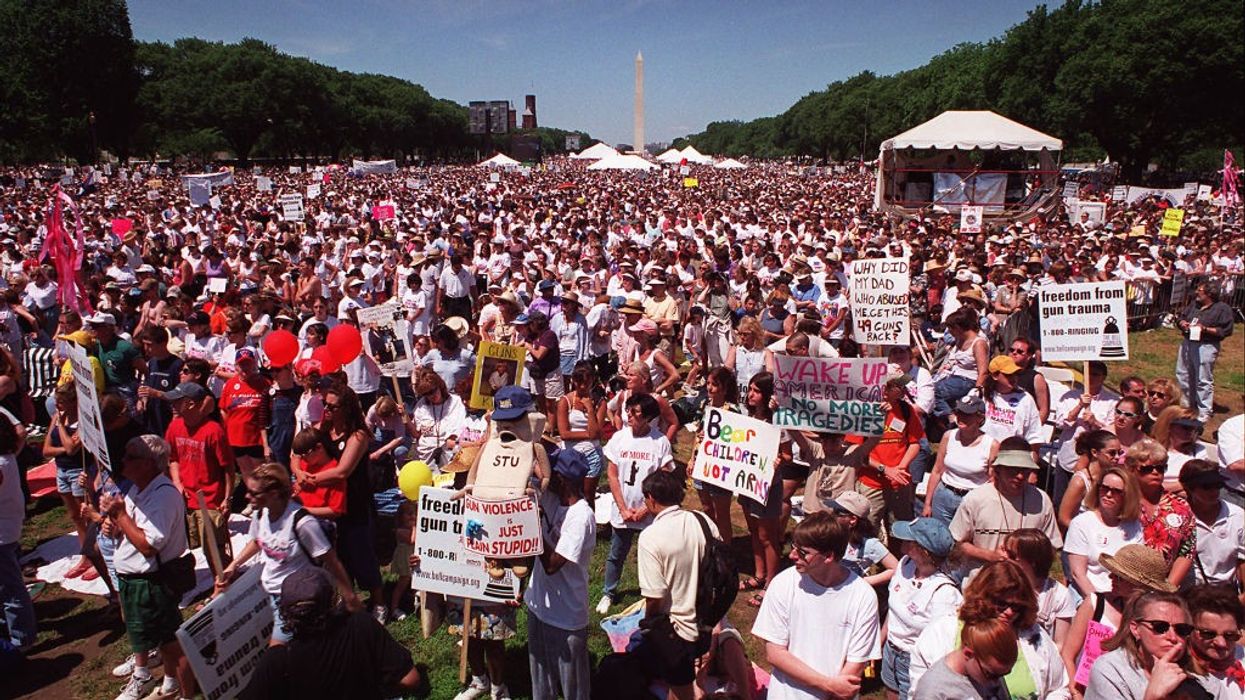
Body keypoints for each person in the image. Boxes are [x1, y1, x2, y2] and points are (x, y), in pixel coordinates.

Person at [214, 462, 359, 643]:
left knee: (277, 652)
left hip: (298, 600)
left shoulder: (302, 523)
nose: (246, 496)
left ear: (274, 494)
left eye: (254, 493)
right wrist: (233, 565)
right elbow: (257, 541)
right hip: (271, 594)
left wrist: (350, 596)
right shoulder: (261, 514)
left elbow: (331, 561)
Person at [102, 435, 196, 700]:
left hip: (153, 583)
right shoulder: (139, 489)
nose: (123, 460)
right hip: (136, 580)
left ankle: (187, 695)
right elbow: (132, 528)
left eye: (130, 457)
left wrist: (120, 515)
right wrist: (114, 525)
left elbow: (148, 545)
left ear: (148, 463)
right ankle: (169, 683)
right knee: (157, 639)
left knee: (172, 644)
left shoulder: (163, 496)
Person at [240, 567, 424, 700]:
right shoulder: (361, 625)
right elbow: (411, 680)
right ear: (332, 602)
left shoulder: (277, 661)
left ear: (285, 614)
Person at [752, 512, 881, 700]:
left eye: (803, 552)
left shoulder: (863, 596)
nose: (792, 555)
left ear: (828, 556)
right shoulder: (783, 584)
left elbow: (856, 662)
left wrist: (835, 692)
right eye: (793, 547)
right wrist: (829, 685)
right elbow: (775, 654)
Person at [909, 560, 1070, 700]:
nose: (1009, 612)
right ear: (982, 597)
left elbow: (1059, 688)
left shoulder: (1035, 635)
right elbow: (922, 691)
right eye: (1002, 604)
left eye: (1016, 606)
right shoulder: (941, 632)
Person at [631, 469, 719, 700]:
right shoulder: (703, 521)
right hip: (705, 623)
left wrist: (648, 625)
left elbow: (655, 596)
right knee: (680, 687)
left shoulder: (651, 537)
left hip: (676, 631)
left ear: (651, 498)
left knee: (683, 692)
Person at [526, 449, 596, 700]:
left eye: (550, 472)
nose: (543, 475)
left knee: (573, 687)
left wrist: (532, 528)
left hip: (566, 615)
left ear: (561, 479)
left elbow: (552, 564)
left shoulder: (581, 517)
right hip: (538, 606)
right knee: (540, 680)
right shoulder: (552, 498)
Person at [1061, 543, 1172, 696]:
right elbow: (1068, 655)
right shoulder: (1095, 604)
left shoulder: (1157, 620)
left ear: (1137, 584)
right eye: (1112, 572)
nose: (1110, 577)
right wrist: (1076, 693)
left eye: (1119, 576)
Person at [598, 392, 674, 614]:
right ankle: (608, 592)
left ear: (648, 417)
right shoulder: (619, 438)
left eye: (635, 411)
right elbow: (612, 475)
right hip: (623, 509)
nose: (629, 415)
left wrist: (645, 509)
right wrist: (623, 508)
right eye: (628, 410)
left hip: (650, 512)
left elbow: (663, 479)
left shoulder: (660, 442)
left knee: (653, 556)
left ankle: (654, 595)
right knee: (616, 553)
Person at [950, 443, 1062, 577]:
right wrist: (990, 556)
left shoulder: (1041, 500)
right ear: (997, 471)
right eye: (1013, 470)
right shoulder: (975, 499)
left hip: (1026, 582)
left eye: (1025, 470)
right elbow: (958, 544)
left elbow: (1051, 546)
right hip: (983, 580)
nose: (1020, 476)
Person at [881, 517, 962, 700]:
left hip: (913, 661)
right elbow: (894, 611)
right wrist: (881, 640)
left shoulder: (944, 593)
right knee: (891, 692)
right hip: (890, 650)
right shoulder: (905, 564)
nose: (901, 540)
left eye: (908, 539)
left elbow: (940, 647)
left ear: (922, 551)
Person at [164, 380, 234, 577]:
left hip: (210, 501)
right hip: (187, 500)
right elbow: (173, 458)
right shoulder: (174, 427)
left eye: (177, 401)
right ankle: (223, 580)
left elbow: (228, 467)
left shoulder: (213, 431)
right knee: (202, 547)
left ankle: (224, 583)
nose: (172, 404)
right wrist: (177, 483)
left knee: (215, 550)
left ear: (191, 404)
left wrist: (227, 498)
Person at [1083, 591, 1207, 700]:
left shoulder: (1202, 680)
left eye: (1181, 629)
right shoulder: (1111, 670)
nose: (1173, 637)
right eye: (1160, 627)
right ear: (1135, 629)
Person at [1126, 438, 1195, 588]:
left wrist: (1167, 588)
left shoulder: (1180, 506)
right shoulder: (1121, 501)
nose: (1155, 472)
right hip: (1122, 581)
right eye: (1146, 469)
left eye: (1161, 468)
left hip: (1165, 585)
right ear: (1131, 469)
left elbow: (1187, 551)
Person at [1064, 466, 1144, 595]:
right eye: (1104, 488)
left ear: (1127, 496)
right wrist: (1098, 602)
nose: (1108, 494)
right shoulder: (1081, 523)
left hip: (1122, 596)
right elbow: (1078, 574)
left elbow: (1137, 571)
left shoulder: (1134, 526)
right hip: (1087, 595)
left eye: (1116, 491)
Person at [923, 395, 999, 524]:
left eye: (967, 414)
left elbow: (993, 481)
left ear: (980, 418)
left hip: (973, 499)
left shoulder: (992, 445)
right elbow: (937, 470)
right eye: (959, 413)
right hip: (943, 497)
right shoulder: (948, 436)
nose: (961, 417)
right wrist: (927, 503)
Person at [912, 617, 1018, 700]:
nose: (995, 683)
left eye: (1004, 674)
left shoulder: (987, 670)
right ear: (969, 654)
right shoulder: (934, 690)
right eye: (991, 674)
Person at [0, 410, 35, 656]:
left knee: (10, 588)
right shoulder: (8, 456)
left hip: (2, 535)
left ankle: (22, 639)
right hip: (7, 530)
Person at [1179, 459, 1245, 588]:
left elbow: (1242, 557)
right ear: (1189, 487)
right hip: (1190, 591)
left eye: (1218, 485)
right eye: (1206, 486)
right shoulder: (1178, 517)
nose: (1214, 491)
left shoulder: (1236, 515)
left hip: (1227, 591)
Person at [1003, 529, 1075, 647]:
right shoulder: (1000, 587)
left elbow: (1060, 644)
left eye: (1012, 555)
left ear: (1033, 561)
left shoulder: (1059, 595)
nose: (1004, 557)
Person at [1176, 282, 1234, 423]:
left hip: (1206, 345)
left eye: (1200, 290)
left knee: (1203, 378)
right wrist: (1182, 323)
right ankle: (1187, 405)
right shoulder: (1194, 305)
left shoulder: (1222, 309)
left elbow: (1226, 330)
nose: (1197, 292)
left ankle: (1204, 411)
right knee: (1183, 374)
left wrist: (1205, 329)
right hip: (1188, 342)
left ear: (1209, 294)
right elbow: (1181, 317)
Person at [555, 362, 606, 511]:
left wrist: (590, 408)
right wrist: (589, 434)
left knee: (588, 496)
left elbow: (597, 433)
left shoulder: (600, 402)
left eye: (587, 382)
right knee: (568, 494)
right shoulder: (565, 401)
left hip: (591, 453)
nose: (583, 386)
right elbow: (564, 433)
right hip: (570, 454)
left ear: (592, 380)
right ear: (573, 380)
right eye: (579, 382)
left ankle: (590, 522)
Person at [1185, 584, 1245, 700]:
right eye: (1208, 634)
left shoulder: (1242, 656)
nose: (1221, 643)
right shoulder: (1178, 671)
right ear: (1189, 628)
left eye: (1230, 635)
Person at [1058, 430, 1124, 531]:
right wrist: (1087, 533)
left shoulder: (1113, 478)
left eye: (1119, 453)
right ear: (1094, 453)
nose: (1117, 457)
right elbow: (1064, 518)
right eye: (1112, 453)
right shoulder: (1080, 481)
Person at [828, 491, 899, 586]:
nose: (832, 515)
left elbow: (895, 569)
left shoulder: (869, 544)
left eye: (837, 513)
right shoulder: (833, 535)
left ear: (853, 519)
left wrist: (864, 582)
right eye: (833, 510)